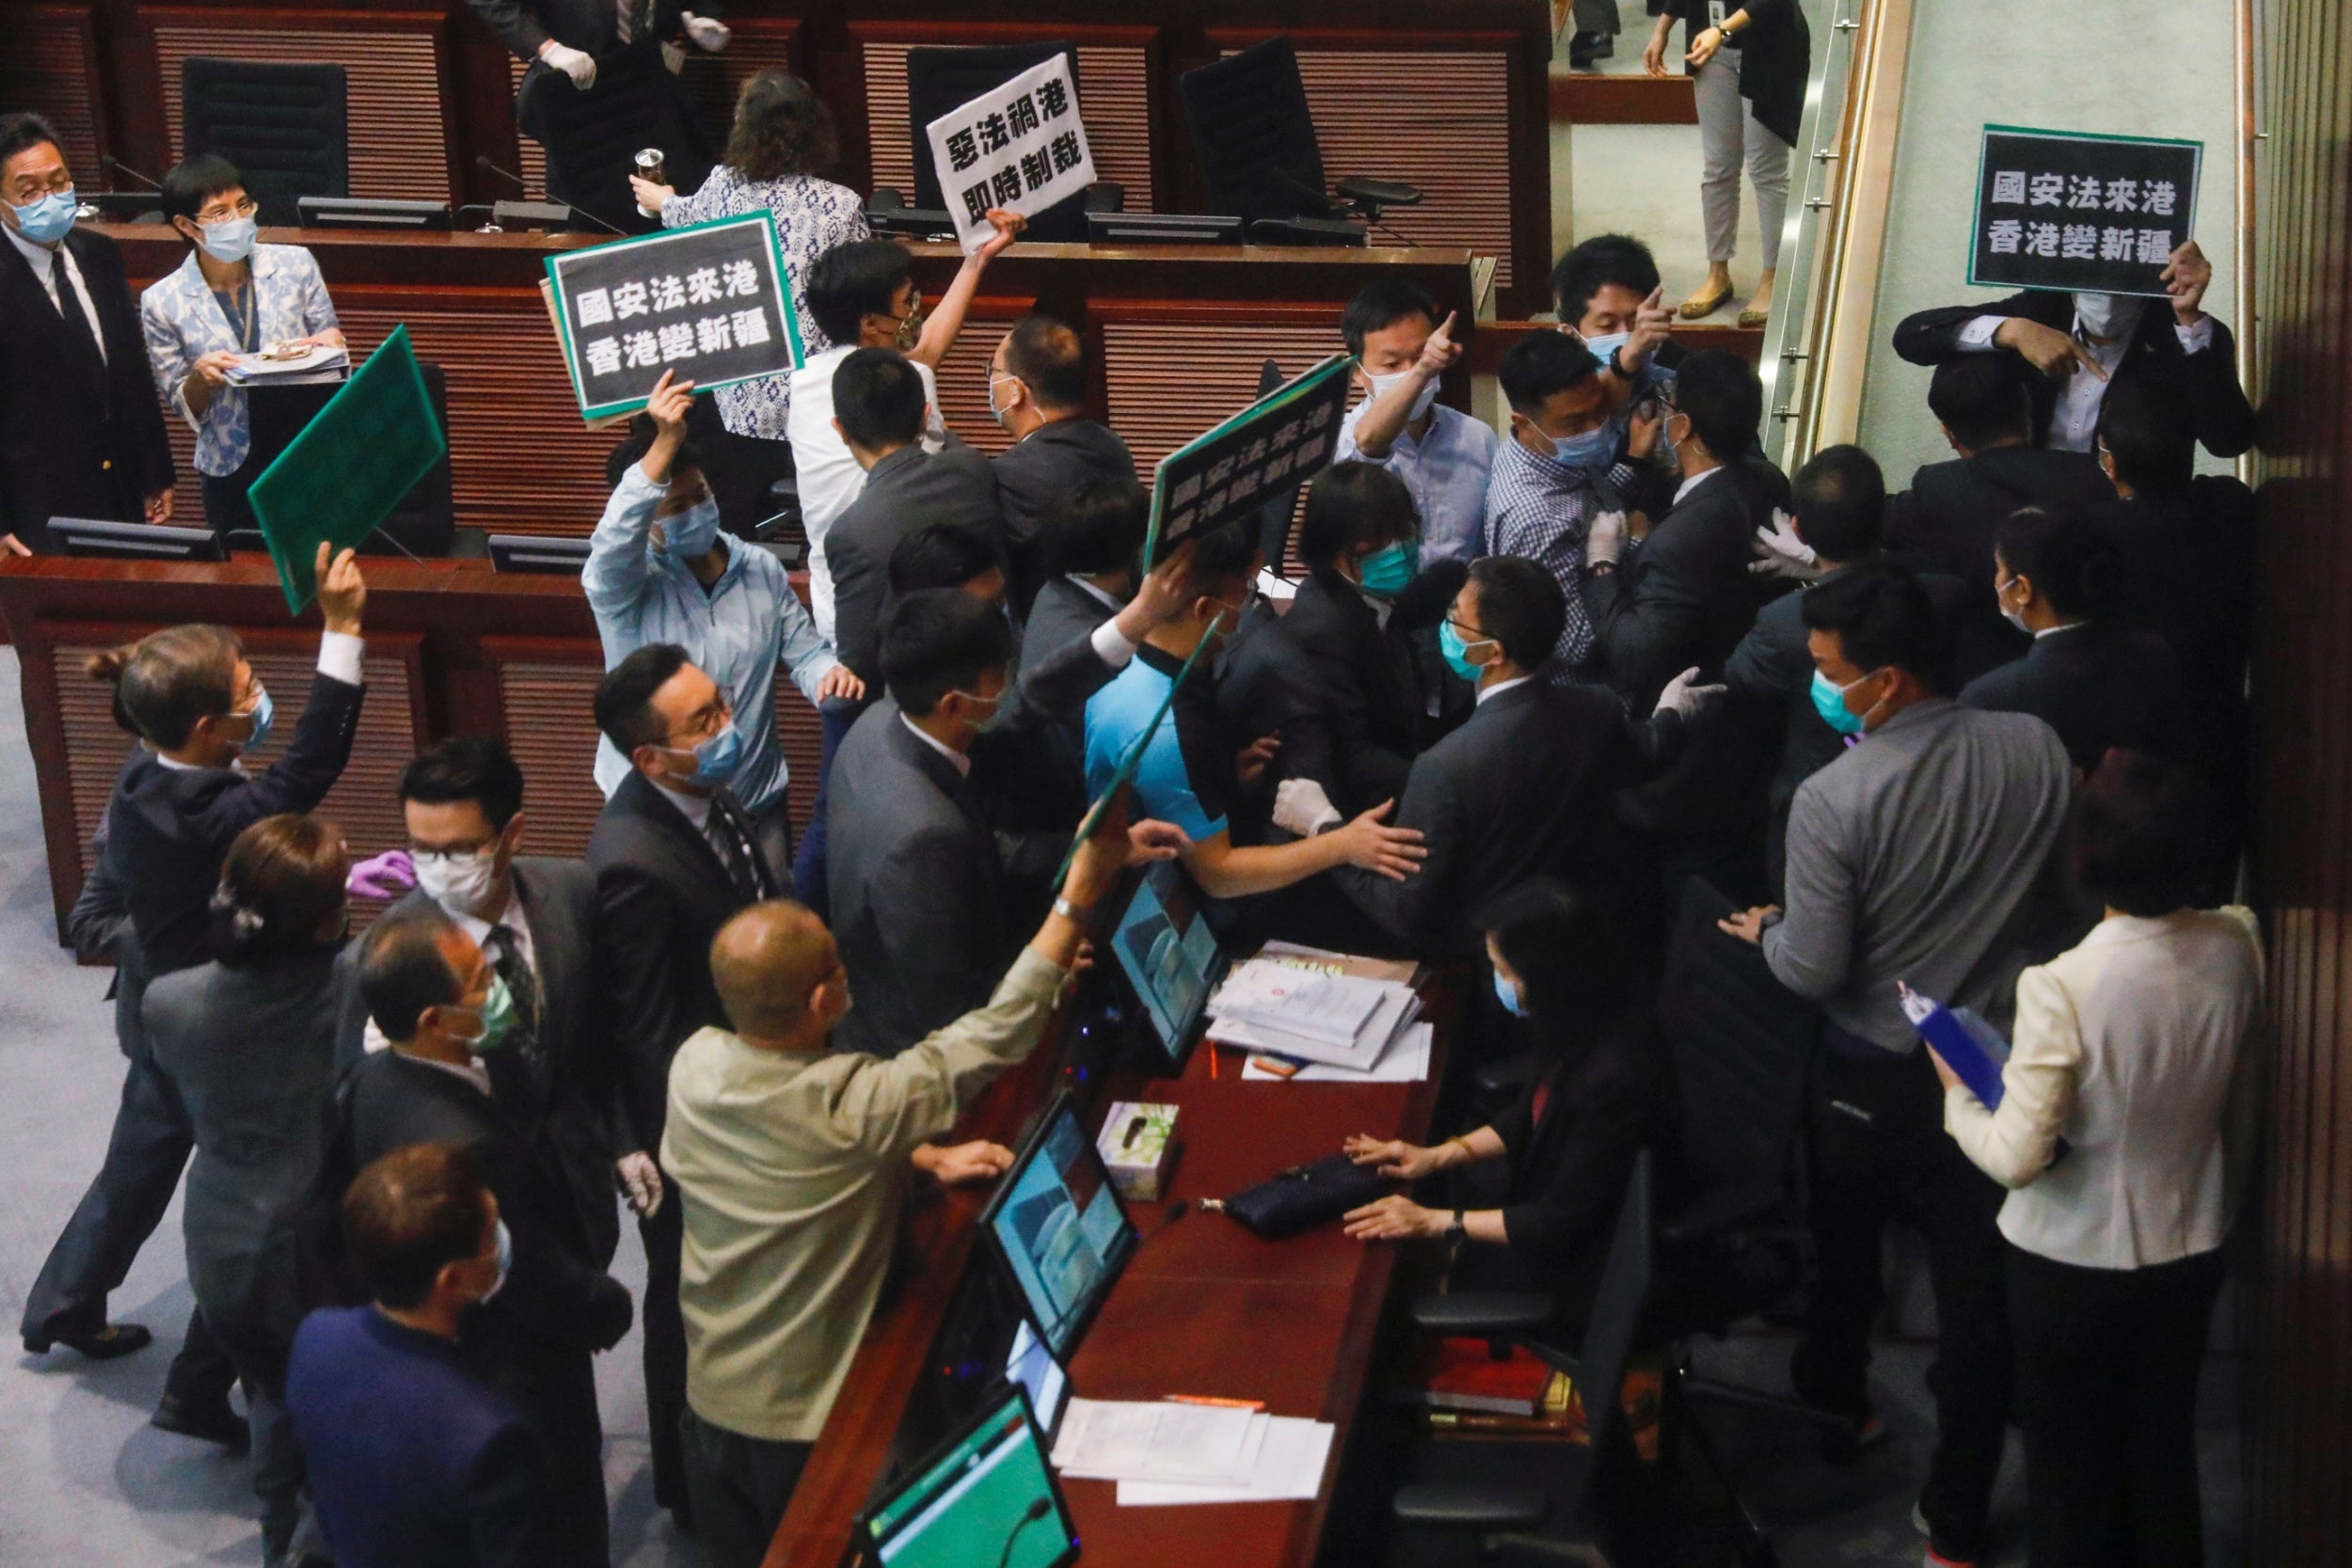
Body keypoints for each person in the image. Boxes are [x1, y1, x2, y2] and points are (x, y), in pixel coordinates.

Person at [661, 796, 1181, 1566]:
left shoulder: (696, 1063)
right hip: (803, 1425)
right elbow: (991, 1035)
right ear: (823, 1000)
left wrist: (917, 1154)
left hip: (707, 1404)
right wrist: (1080, 890)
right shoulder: (855, 1100)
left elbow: (791, 1147)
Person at [1719, 561, 2075, 1568]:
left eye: (1831, 667)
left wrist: (1769, 931)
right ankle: (1955, 1521)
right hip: (1992, 1069)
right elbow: (2060, 907)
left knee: (1846, 1261)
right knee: (1977, 1300)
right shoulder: (2036, 746)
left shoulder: (1834, 797)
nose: (1819, 682)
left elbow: (1814, 965)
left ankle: (1843, 1410)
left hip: (1867, 1072)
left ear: (1889, 680)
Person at [20, 544, 366, 1451]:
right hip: (214, 1021)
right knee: (265, 1189)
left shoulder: (144, 778)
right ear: (213, 727)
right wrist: (341, 632)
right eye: (251, 680)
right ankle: (189, 1380)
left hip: (156, 1008)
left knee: (138, 1161)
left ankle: (61, 1303)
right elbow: (305, 773)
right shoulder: (218, 812)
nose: (262, 688)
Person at [1930, 752, 2263, 1568]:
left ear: (2088, 858)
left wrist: (1959, 1094)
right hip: (2190, 1243)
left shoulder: (2062, 984)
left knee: (2070, 1472)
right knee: (2162, 1453)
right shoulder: (2239, 941)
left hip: (2066, 1261)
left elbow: (2017, 1155)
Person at [345, 907, 635, 1566]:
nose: (497, 984)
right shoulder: (469, 1145)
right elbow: (533, 1277)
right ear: (433, 1021)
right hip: (518, 1383)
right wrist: (609, 1305)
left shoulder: (374, 1078)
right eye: (478, 980)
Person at [586, 641, 780, 1526]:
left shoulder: (705, 791)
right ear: (648, 757)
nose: (728, 726)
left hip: (746, 1089)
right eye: (704, 721)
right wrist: (693, 1144)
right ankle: (687, 1490)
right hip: (688, 1136)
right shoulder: (631, 858)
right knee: (683, 1303)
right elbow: (642, 1028)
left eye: (720, 704)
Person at [1295, 557, 1705, 958]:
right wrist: (1673, 710)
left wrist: (1324, 827)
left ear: (1491, 653)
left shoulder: (1444, 768)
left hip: (1486, 965)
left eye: (1455, 619)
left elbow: (1405, 912)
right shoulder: (1596, 708)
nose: (1445, 627)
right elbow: (1650, 752)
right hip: (1577, 941)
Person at [332, 737, 627, 1268]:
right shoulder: (377, 961)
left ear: (512, 833)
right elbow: (361, 1113)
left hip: (578, 1192)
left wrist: (623, 1140)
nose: (440, 866)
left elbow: (599, 1032)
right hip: (469, 1230)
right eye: (424, 849)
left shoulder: (570, 890)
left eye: (461, 849)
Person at [147, 814, 349, 1568]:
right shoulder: (353, 993)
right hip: (324, 1247)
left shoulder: (168, 999)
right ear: (331, 915)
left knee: (270, 1397)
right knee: (345, 1419)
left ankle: (277, 1541)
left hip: (221, 1242)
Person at [1342, 878, 1659, 1320]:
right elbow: (1532, 1113)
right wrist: (1436, 1156)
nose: (1499, 983)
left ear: (1546, 977)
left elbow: (1557, 1222)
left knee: (1388, 1299)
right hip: (1539, 1204)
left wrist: (1434, 1221)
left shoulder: (1612, 1076)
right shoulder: (1580, 1020)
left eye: (1504, 971)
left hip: (1578, 1268)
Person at [584, 369, 858, 875]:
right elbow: (612, 545)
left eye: (700, 496)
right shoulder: (625, 587)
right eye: (674, 507)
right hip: (662, 811)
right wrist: (664, 443)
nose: (694, 512)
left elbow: (805, 654)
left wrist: (828, 677)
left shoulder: (757, 568)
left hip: (756, 801)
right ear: (647, 519)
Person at [1084, 522, 1426, 909]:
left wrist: (1227, 776)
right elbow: (1220, 874)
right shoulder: (1169, 729)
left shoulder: (1117, 661)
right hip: (1161, 903)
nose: (1246, 607)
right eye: (1242, 593)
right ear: (1205, 610)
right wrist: (1339, 843)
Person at [287, 1141, 554, 1568]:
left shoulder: (316, 1337)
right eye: (491, 1235)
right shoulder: (489, 1436)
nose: (501, 1241)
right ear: (452, 1278)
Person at [1724, 445, 1967, 898]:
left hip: (1817, 812)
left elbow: (1740, 679)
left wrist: (1816, 576)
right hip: (1928, 802)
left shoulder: (1783, 623)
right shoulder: (1944, 595)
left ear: (1797, 528)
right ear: (1883, 519)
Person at [627, 70, 866, 530]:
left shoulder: (724, 189)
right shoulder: (843, 205)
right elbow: (859, 292)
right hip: (819, 402)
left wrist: (661, 198)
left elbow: (683, 215)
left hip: (740, 402)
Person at [787, 219, 1023, 641]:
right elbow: (923, 360)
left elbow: (922, 356)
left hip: (836, 608)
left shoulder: (802, 382)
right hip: (909, 610)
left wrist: (976, 261)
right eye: (906, 302)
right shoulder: (910, 377)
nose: (916, 309)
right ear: (870, 323)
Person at [824, 590, 1021, 1057]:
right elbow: (949, 1007)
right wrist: (1046, 964)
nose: (1004, 690)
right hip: (912, 1057)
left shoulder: (876, 719)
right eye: (998, 680)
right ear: (954, 705)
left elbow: (981, 849)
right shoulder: (925, 839)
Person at [1890, 238, 2255, 458]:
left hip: (2124, 525)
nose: (2107, 298)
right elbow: (1912, 336)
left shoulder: (2187, 334)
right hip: (2032, 514)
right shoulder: (2040, 311)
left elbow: (2229, 441)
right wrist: (2012, 330)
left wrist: (2188, 321)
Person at [2089, 372, 2255, 852]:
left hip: (2127, 750)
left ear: (2110, 463)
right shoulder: (2232, 504)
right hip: (2223, 730)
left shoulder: (2091, 534)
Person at [138, 154, 342, 537]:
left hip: (306, 452)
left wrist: (330, 346)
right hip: (230, 467)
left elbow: (333, 348)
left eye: (243, 205)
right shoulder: (162, 301)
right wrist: (202, 377)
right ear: (186, 225)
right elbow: (181, 401)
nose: (237, 219)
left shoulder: (296, 265)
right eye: (219, 212)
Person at [0, 111, 175, 553]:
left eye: (58, 183)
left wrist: (155, 470)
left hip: (120, 489)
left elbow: (131, 372)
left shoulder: (98, 253)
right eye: (30, 190)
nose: (49, 197)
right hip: (36, 509)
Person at [1579, 348, 1788, 710]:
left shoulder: (1679, 540)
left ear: (1684, 425)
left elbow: (1634, 657)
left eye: (1669, 405)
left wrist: (1602, 567)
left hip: (1690, 714)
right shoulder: (1770, 479)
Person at [1884, 355, 2116, 682]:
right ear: (2027, 406)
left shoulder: (1936, 489)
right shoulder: (2090, 478)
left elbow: (1865, 521)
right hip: (2094, 673)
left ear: (1949, 434)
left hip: (1975, 685)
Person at [1263, 462, 1468, 816]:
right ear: (1337, 551)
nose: (1402, 547)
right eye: (1381, 541)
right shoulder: (1321, 630)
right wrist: (1448, 782)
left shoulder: (1375, 598)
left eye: (1405, 530)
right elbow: (1353, 756)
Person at [820, 346, 1004, 688]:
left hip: (920, 700)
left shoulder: (849, 533)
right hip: (999, 671)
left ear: (840, 429)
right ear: (924, 415)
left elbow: (858, 659)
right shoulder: (973, 469)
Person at [468, 0, 727, 235]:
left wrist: (700, 19)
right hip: (579, 94)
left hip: (651, 83)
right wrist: (547, 48)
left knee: (666, 210)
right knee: (584, 222)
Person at [1958, 506, 2182, 772]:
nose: (1995, 580)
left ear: (2023, 589)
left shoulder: (1988, 698)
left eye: (1999, 568)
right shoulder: (2153, 652)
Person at [1642, 1, 1807, 325]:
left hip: (1769, 46)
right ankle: (1717, 273)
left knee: (1766, 170)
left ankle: (1775, 276)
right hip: (1712, 43)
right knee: (1718, 166)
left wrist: (1722, 29)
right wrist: (1663, 28)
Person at [1486, 329, 1625, 681]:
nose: (1595, 429)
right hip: (1585, 695)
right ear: (1524, 423)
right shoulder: (1535, 517)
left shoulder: (1550, 454)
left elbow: (1589, 496)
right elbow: (1577, 644)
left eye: (1600, 411)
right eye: (1575, 422)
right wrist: (1607, 564)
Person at [1332, 279, 1497, 566]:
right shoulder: (1339, 439)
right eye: (1392, 365)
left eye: (1421, 356)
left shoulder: (1477, 437)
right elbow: (1367, 445)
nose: (1409, 373)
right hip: (1380, 604)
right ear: (1357, 374)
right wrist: (1423, 369)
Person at [986, 311, 1137, 606]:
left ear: (1016, 390)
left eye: (993, 371)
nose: (990, 382)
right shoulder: (1111, 445)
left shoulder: (1009, 477)